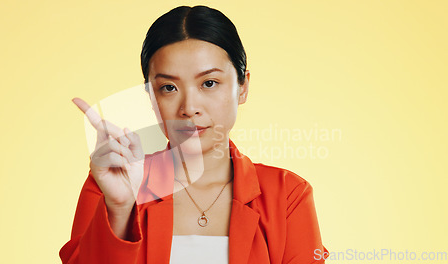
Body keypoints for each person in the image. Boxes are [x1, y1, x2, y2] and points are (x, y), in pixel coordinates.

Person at [59, 5, 328, 264]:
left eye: (209, 83)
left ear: (243, 87)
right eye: (168, 88)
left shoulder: (287, 195)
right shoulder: (110, 182)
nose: (189, 108)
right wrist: (119, 208)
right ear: (151, 97)